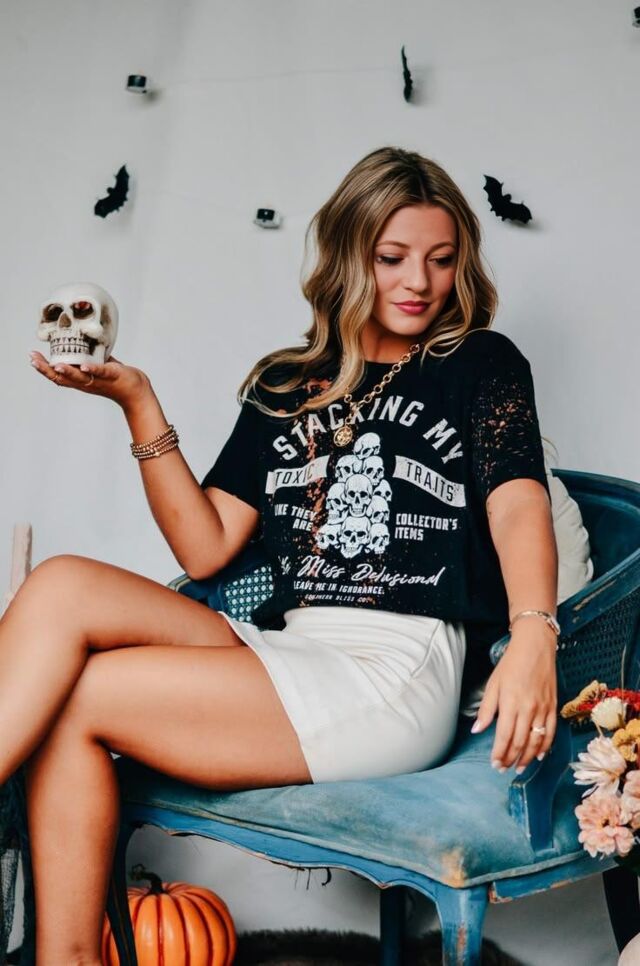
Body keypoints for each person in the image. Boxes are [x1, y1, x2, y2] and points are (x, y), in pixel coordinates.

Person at [19, 145, 558, 963]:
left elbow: (517, 502)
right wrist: (137, 402)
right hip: (289, 646)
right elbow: (205, 546)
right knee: (61, 584)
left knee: (75, 696)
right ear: (349, 255)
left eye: (442, 259)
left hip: (391, 670)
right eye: (392, 258)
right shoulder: (288, 383)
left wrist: (534, 632)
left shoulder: (478, 365)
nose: (419, 281)